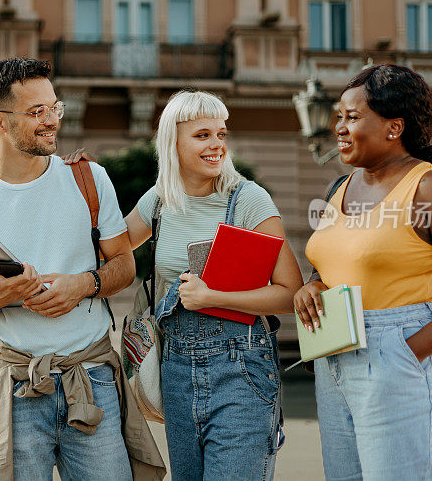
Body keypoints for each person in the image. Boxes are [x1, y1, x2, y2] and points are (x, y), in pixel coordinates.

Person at [0, 58, 165, 481]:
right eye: (37, 111)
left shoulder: (89, 180)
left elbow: (124, 265)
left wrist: (82, 285)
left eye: (54, 108)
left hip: (92, 378)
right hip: (15, 388)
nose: (51, 122)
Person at [67, 89, 303, 480]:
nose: (217, 146)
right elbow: (109, 249)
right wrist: (85, 187)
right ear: (172, 141)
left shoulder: (246, 200)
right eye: (202, 135)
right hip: (175, 367)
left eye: (221, 134)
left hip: (240, 367)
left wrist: (213, 295)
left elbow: (290, 293)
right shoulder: (160, 201)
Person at [294, 64, 432, 481]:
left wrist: (405, 354)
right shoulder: (338, 188)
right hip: (333, 357)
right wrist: (311, 286)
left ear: (394, 127)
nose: (339, 127)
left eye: (352, 117)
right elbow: (332, 266)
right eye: (339, 116)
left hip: (398, 351)